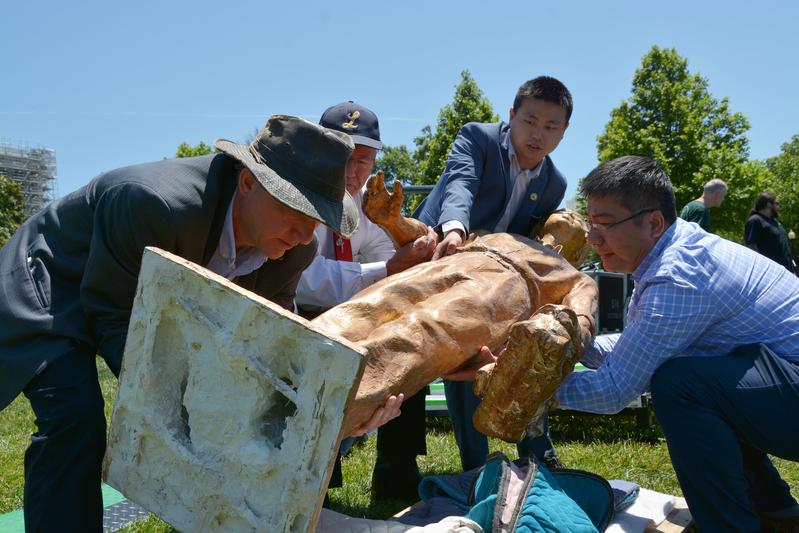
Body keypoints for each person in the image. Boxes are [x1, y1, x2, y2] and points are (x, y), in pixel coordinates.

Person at [0, 115, 401, 533]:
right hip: (53, 283)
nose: (305, 235)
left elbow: (271, 345)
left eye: (318, 220)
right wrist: (182, 401)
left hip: (125, 294)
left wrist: (341, 409)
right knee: (74, 416)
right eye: (296, 210)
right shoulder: (152, 204)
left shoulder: (294, 250)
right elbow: (113, 314)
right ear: (248, 183)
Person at [529, 155, 797, 532]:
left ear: (653, 222)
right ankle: (775, 511)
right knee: (703, 385)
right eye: (591, 224)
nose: (592, 238)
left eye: (605, 224)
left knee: (678, 384)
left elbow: (613, 391)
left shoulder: (676, 277)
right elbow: (639, 346)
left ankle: (730, 526)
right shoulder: (674, 251)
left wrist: (524, 385)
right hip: (785, 381)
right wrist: (575, 342)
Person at [413, 75, 572, 471]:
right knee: (440, 362)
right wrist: (454, 229)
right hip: (437, 259)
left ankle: (533, 459)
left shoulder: (555, 183)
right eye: (530, 121)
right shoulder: (477, 138)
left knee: (511, 349)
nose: (538, 134)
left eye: (551, 126)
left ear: (564, 132)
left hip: (495, 280)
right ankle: (465, 466)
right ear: (512, 115)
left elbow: (529, 239)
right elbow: (460, 184)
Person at [296, 102, 436, 501]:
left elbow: (379, 254)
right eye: (344, 159)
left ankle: (397, 466)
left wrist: (400, 234)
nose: (354, 172)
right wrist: (386, 269)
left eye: (365, 160)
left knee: (410, 345)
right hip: (302, 315)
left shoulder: (366, 203)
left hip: (352, 311)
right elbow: (303, 278)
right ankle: (319, 480)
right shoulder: (296, 195)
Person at [745, 191, 797, 274]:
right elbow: (751, 247)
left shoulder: (775, 222)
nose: (778, 207)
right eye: (776, 203)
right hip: (771, 273)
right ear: (769, 204)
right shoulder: (755, 220)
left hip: (788, 272)